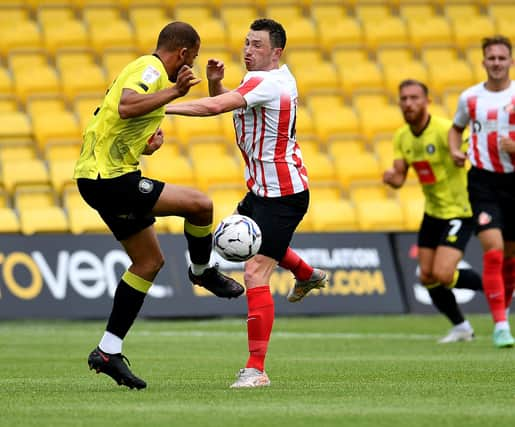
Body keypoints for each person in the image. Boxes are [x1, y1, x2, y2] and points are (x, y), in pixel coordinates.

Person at [73, 22, 245, 390]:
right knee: (201, 205)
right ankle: (202, 271)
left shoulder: (142, 72)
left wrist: (144, 145)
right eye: (192, 58)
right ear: (182, 54)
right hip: (111, 179)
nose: (191, 65)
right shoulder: (150, 70)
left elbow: (115, 120)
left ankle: (107, 351)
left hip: (99, 177)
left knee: (149, 262)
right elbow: (125, 105)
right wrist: (174, 91)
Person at [166, 18, 327, 387]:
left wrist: (160, 107)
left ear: (276, 52)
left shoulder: (269, 83)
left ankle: (256, 369)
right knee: (251, 245)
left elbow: (213, 109)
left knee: (255, 270)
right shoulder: (268, 80)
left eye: (256, 45)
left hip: (282, 195)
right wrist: (215, 84)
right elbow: (234, 104)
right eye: (246, 43)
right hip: (263, 189)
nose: (247, 50)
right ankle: (307, 273)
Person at [383, 79, 483, 343]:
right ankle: (462, 327)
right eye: (404, 98)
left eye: (414, 98)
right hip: (433, 213)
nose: (408, 103)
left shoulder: (445, 130)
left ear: (427, 101)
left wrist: (461, 155)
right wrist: (391, 177)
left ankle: (497, 285)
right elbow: (400, 177)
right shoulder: (402, 136)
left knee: (443, 275)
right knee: (427, 277)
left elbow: (468, 154)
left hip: (460, 210)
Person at [449, 35, 515, 348]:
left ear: (510, 61)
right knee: (493, 249)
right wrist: (455, 151)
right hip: (482, 182)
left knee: (510, 259)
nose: (497, 63)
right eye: (492, 58)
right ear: (484, 61)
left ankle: (503, 313)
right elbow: (456, 128)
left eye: (502, 58)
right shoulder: (470, 98)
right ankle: (501, 325)